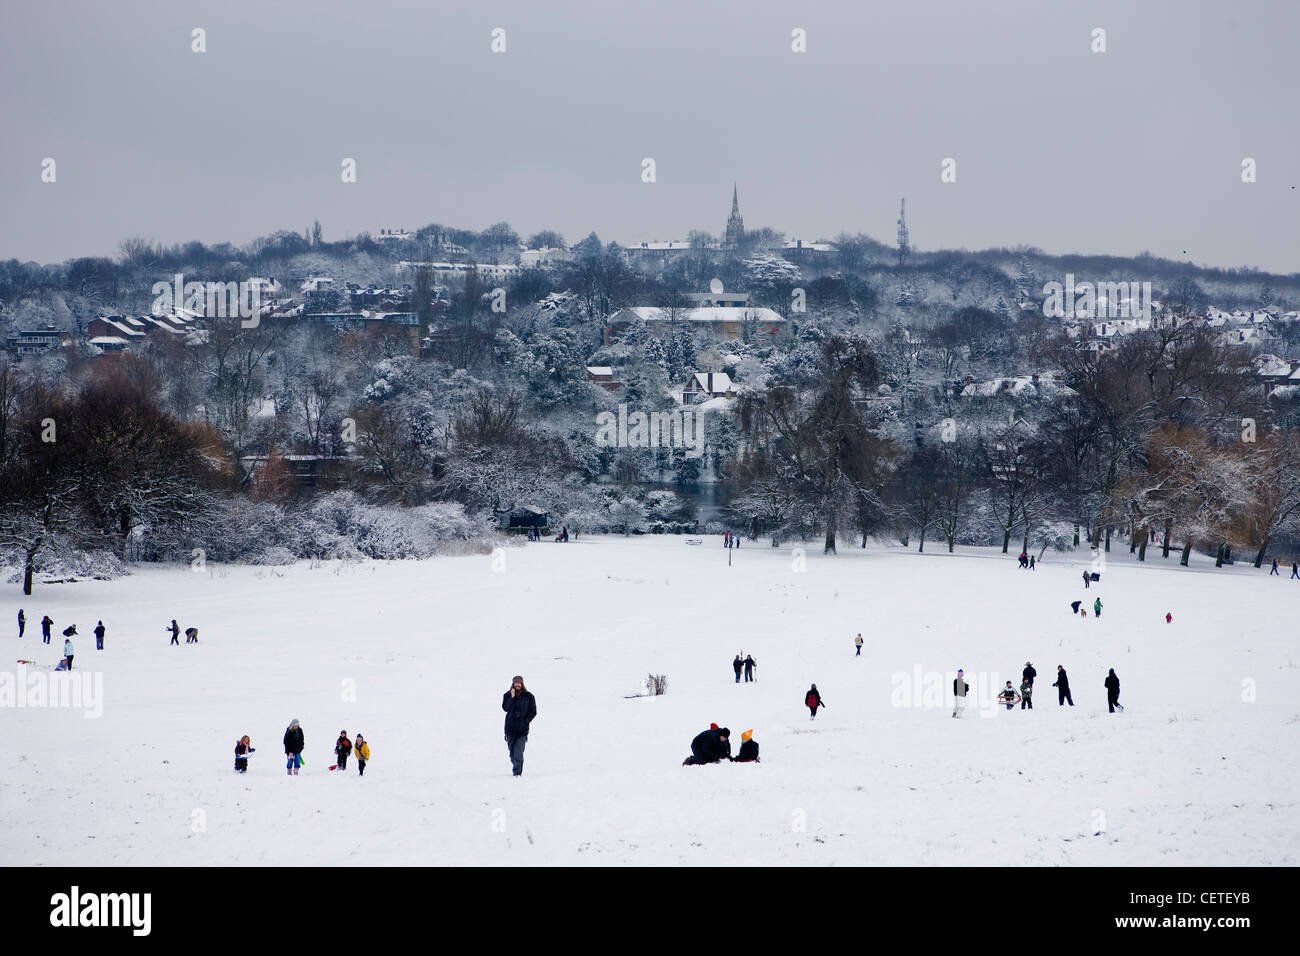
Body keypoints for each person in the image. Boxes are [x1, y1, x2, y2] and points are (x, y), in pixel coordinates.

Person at [502, 675, 537, 776]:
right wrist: (512, 697)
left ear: (522, 684)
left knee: (518, 752)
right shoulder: (507, 695)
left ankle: (517, 773)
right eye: (515, 683)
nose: (517, 684)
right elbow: (505, 708)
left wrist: (525, 721)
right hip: (510, 729)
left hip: (522, 730)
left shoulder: (529, 696)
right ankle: (517, 766)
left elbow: (533, 711)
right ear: (513, 684)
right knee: (512, 753)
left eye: (519, 683)